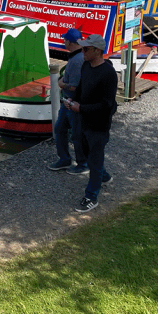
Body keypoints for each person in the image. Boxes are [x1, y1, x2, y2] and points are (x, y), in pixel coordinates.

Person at [64, 34, 118, 213]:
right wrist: (72, 102)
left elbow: (106, 105)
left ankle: (91, 196)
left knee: (94, 159)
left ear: (97, 51)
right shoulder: (86, 65)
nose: (83, 51)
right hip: (83, 120)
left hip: (98, 124)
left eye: (86, 49)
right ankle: (104, 176)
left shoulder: (109, 73)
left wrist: (81, 108)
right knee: (87, 154)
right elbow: (81, 88)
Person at [48, 29, 87, 173]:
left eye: (64, 39)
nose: (63, 42)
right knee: (59, 128)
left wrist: (62, 84)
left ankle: (83, 164)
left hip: (73, 102)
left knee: (77, 134)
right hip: (67, 102)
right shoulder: (76, 56)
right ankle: (64, 159)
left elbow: (75, 86)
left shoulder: (77, 60)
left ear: (69, 42)